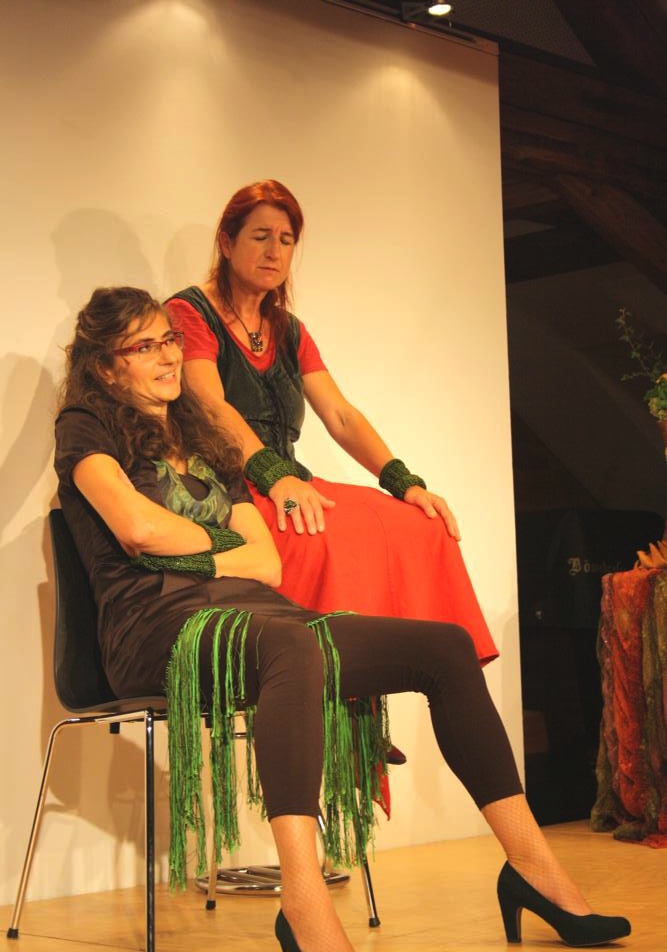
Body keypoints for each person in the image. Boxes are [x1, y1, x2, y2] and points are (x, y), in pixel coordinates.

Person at [55, 287, 630, 952]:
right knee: (291, 648)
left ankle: (532, 867)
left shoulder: (202, 433)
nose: (168, 356)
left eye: (170, 339)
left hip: (259, 615)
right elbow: (136, 528)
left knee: (444, 647)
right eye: (145, 346)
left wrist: (197, 550)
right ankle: (303, 904)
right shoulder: (85, 427)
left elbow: (266, 562)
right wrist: (220, 549)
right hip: (155, 629)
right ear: (106, 366)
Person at [166, 180, 498, 668]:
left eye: (286, 240)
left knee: (422, 525)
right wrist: (274, 477)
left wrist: (403, 481)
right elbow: (211, 406)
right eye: (261, 236)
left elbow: (341, 416)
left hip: (288, 480)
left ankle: (425, 665)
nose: (274, 251)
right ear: (227, 243)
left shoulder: (289, 329)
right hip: (228, 486)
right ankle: (335, 677)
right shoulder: (188, 311)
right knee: (321, 536)